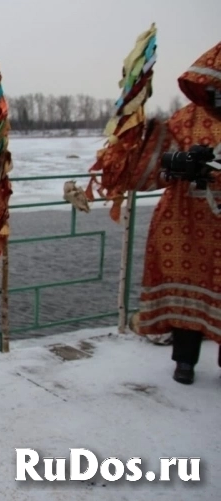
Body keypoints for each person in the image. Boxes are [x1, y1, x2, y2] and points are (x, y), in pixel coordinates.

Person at [126, 41, 221, 384]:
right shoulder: (185, 120)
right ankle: (184, 360)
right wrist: (177, 163)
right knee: (185, 291)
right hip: (185, 224)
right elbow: (147, 175)